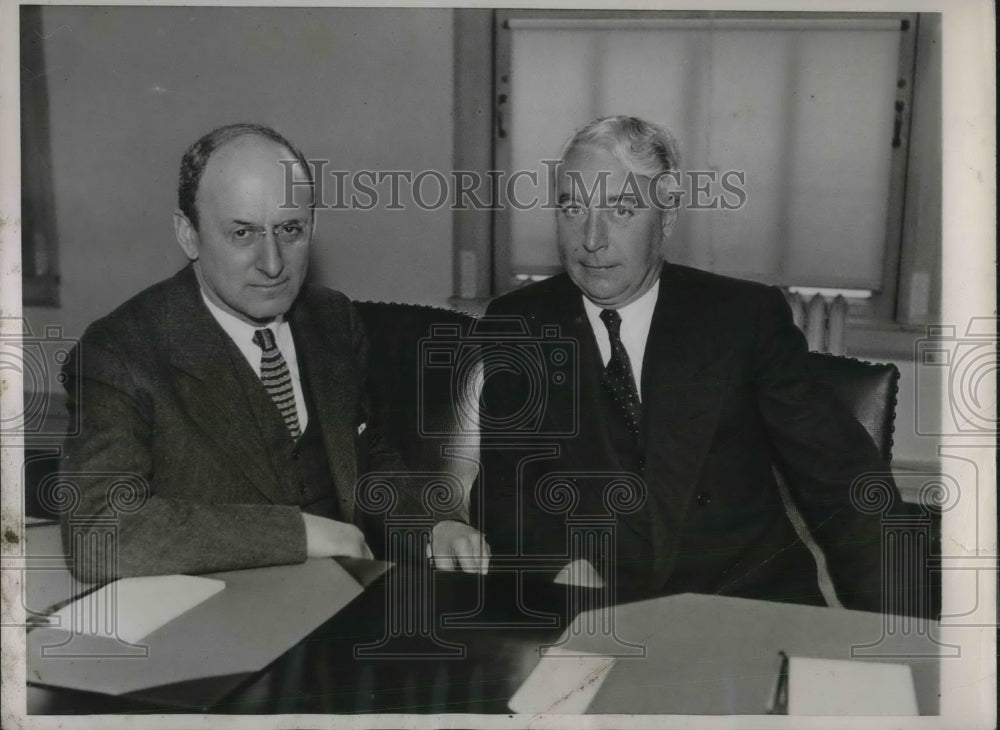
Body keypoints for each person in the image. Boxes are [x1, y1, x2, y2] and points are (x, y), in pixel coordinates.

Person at [472, 115, 900, 612]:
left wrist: (899, 635)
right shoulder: (518, 323)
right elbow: (501, 488)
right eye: (573, 208)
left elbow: (845, 483)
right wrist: (553, 565)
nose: (591, 239)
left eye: (622, 210)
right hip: (593, 607)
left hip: (741, 605)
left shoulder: (743, 318)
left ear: (667, 217)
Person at [60, 123, 484, 582]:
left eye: (290, 229)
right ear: (188, 235)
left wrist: (433, 521)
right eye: (243, 233)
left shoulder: (332, 319)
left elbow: (367, 457)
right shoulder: (120, 352)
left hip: (340, 603)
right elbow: (96, 531)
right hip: (217, 619)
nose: (273, 263)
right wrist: (300, 535)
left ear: (312, 226)